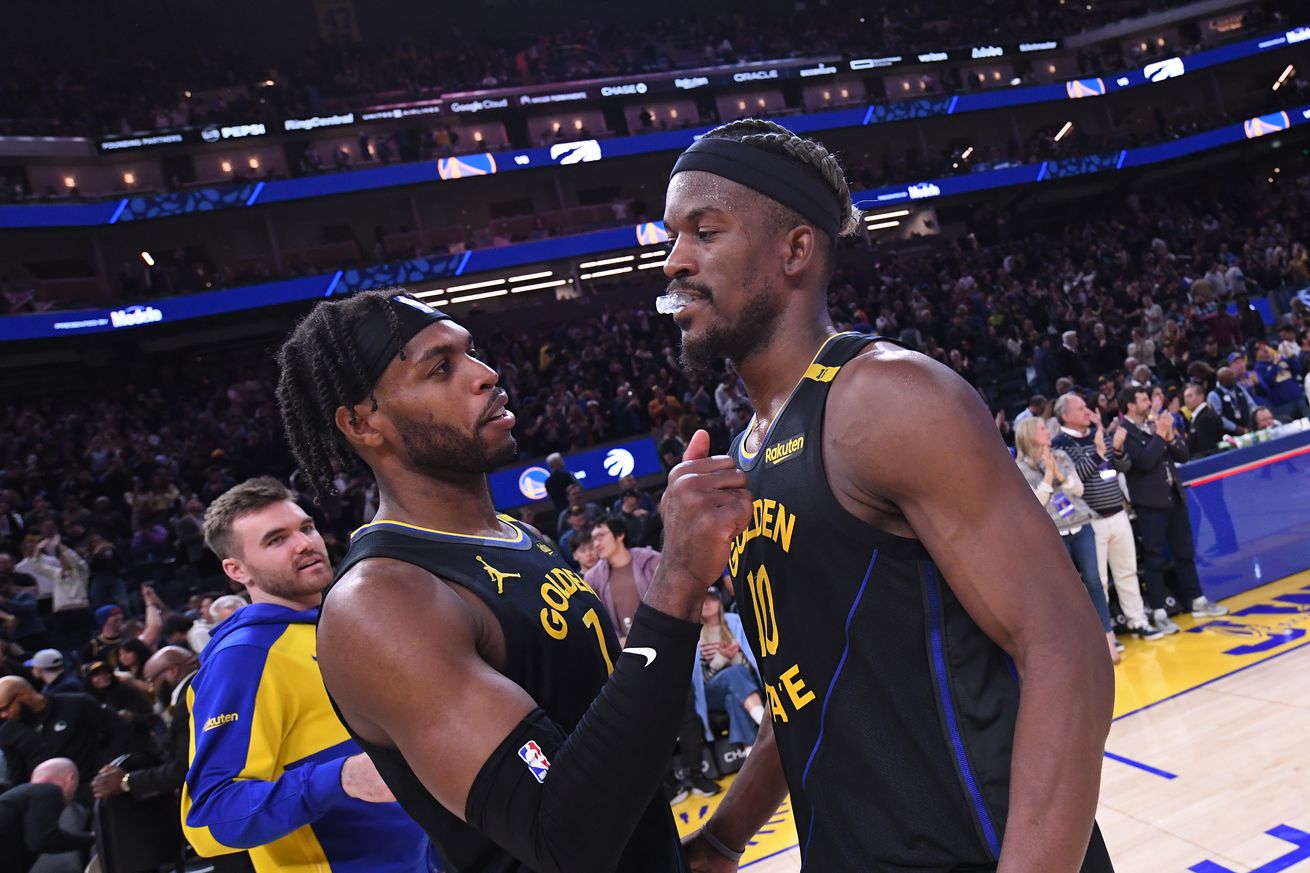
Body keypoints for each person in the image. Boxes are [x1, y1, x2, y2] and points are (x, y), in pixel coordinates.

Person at [662, 120, 1114, 873]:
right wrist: (723, 836)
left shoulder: (885, 400)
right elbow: (802, 689)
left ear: (795, 250)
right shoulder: (747, 451)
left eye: (704, 231)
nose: (675, 260)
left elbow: (1066, 648)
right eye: (672, 236)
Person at [276, 289, 752, 872]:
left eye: (470, 352)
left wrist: (716, 842)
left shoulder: (512, 535)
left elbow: (604, 741)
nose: (485, 375)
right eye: (439, 368)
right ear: (360, 422)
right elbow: (563, 839)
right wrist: (679, 574)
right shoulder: (380, 603)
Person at [181, 478, 431, 873]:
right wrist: (339, 778)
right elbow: (207, 820)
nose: (305, 544)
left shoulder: (342, 624)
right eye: (276, 540)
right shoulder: (244, 658)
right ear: (236, 570)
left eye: (307, 527)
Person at [1117, 387, 1228, 634]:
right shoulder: (1125, 432)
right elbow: (1143, 462)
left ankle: (1197, 600)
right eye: (1144, 399)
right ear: (1131, 406)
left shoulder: (1157, 424)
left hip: (1174, 497)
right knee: (1155, 559)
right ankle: (1158, 611)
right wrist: (1160, 435)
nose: (1150, 402)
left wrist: (1167, 436)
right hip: (1149, 504)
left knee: (1185, 552)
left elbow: (1183, 454)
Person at [1050, 395, 1161, 641]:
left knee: (1127, 572)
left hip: (1118, 512)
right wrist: (1099, 454)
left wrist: (1117, 449)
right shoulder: (1059, 445)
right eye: (1080, 409)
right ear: (1065, 415)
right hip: (1092, 520)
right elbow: (1072, 479)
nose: (1087, 412)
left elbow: (1122, 466)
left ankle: (1138, 621)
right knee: (1097, 580)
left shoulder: (1097, 434)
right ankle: (1106, 632)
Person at [1013, 420, 1119, 663]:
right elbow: (1035, 503)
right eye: (1042, 429)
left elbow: (1078, 490)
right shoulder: (1020, 468)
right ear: (1030, 435)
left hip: (1080, 525)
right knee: (1066, 590)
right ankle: (1079, 645)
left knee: (1095, 582)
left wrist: (1058, 472)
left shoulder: (1060, 455)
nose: (1047, 432)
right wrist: (1049, 477)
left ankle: (1108, 639)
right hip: (1053, 533)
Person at [0, 676, 130, 804]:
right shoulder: (8, 731)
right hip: (50, 804)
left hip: (93, 790)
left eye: (5, 708)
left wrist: (109, 763)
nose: (3, 715)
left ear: (22, 695)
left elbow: (119, 728)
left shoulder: (75, 704)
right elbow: (18, 777)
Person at [692, 588, 765, 749]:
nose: (707, 603)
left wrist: (735, 657)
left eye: (712, 598)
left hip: (744, 686)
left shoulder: (735, 622)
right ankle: (765, 723)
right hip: (712, 694)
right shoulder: (694, 633)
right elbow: (701, 681)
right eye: (702, 599)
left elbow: (752, 667)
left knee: (732, 698)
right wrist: (721, 659)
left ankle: (750, 750)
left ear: (720, 601)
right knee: (734, 673)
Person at [0, 758, 94, 873]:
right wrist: (92, 838)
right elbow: (43, 840)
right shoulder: (48, 790)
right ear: (70, 779)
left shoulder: (20, 798)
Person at [585, 517, 663, 641]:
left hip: (662, 636)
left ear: (620, 534)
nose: (596, 544)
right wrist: (616, 641)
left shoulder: (651, 561)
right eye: (594, 539)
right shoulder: (593, 578)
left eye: (601, 536)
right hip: (628, 648)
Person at [1207, 365, 1256, 436]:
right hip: (1228, 434)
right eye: (1229, 377)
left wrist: (1253, 420)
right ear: (1221, 380)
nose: (1233, 378)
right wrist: (1235, 428)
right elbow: (1218, 417)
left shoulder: (1239, 388)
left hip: (1248, 427)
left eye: (1233, 375)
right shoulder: (1214, 395)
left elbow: (1251, 405)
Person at [1184, 383, 1224, 456]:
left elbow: (1207, 450)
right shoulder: (1200, 416)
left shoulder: (1205, 419)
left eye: (1189, 396)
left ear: (1201, 397)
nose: (1186, 400)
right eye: (1185, 397)